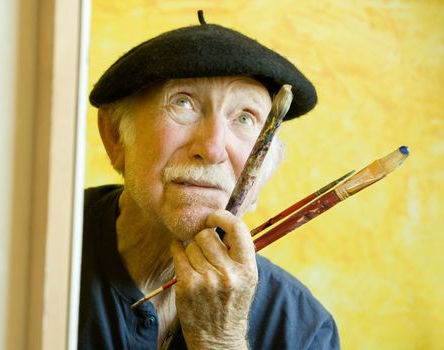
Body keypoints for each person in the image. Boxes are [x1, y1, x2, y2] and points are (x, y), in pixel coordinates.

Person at [78, 11, 340, 350]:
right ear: (115, 136)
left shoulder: (303, 328)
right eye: (183, 103)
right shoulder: (33, 244)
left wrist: (220, 340)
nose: (213, 148)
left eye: (245, 118)